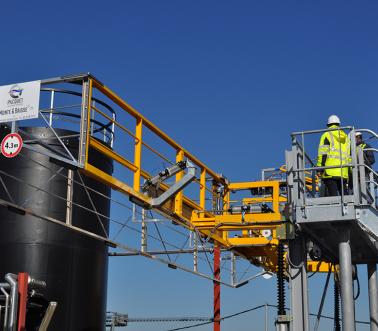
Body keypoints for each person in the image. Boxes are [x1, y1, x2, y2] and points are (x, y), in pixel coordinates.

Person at [317, 115, 351, 196]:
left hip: (330, 171)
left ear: (328, 125)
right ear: (338, 124)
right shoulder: (345, 137)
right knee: (344, 196)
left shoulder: (327, 135)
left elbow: (323, 153)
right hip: (343, 171)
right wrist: (349, 171)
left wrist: (320, 168)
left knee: (333, 196)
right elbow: (349, 155)